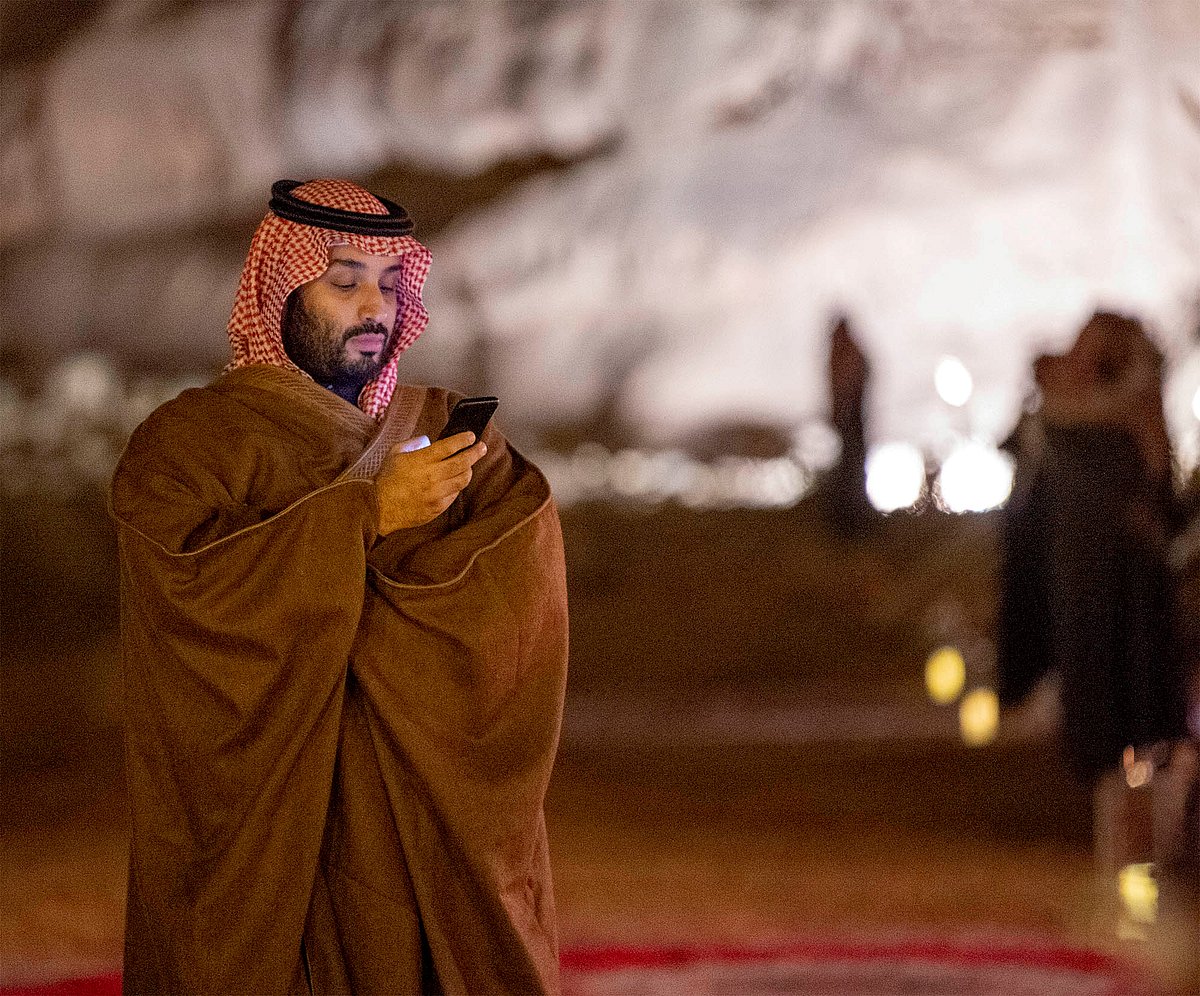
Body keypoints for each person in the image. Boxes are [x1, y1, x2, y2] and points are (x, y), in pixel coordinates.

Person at [110, 179, 569, 995]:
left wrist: (354, 592)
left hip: (414, 850)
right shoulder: (187, 448)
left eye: (392, 285)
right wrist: (368, 518)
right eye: (345, 280)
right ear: (281, 289)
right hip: (269, 858)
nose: (375, 308)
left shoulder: (457, 434)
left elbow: (511, 607)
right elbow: (194, 612)